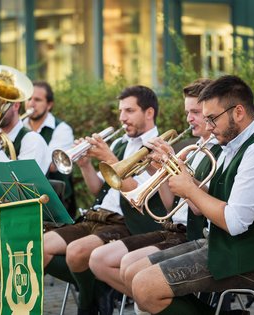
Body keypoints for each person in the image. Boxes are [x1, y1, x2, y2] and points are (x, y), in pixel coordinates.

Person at [124, 75, 254, 315]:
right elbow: (207, 203)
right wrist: (178, 171)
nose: (209, 127)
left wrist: (189, 188)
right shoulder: (233, 142)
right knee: (132, 273)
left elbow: (235, 222)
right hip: (224, 246)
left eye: (212, 119)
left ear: (238, 112)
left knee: (145, 287)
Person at [89, 78, 221, 310]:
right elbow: (171, 205)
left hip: (191, 233)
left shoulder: (216, 152)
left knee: (135, 270)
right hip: (171, 228)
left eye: (196, 112)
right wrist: (162, 170)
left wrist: (173, 168)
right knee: (110, 263)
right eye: (187, 112)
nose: (189, 118)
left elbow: (198, 207)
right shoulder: (195, 149)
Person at [43, 85, 167, 315]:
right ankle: (99, 287)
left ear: (149, 113)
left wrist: (109, 158)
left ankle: (87, 306)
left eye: (129, 111)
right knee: (40, 248)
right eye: (121, 111)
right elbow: (97, 189)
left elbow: (139, 198)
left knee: (76, 252)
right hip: (96, 216)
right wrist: (86, 165)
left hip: (125, 222)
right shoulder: (121, 143)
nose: (122, 118)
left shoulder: (156, 148)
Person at [0, 99, 51, 315]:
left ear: (16, 105)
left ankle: (15, 299)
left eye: (0, 103)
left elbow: (21, 185)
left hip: (29, 215)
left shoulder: (32, 139)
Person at [24, 81, 77, 217]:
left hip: (55, 199)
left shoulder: (62, 129)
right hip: (23, 194)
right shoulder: (20, 126)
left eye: (37, 99)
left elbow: (52, 165)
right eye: (29, 99)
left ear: (49, 105)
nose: (31, 104)